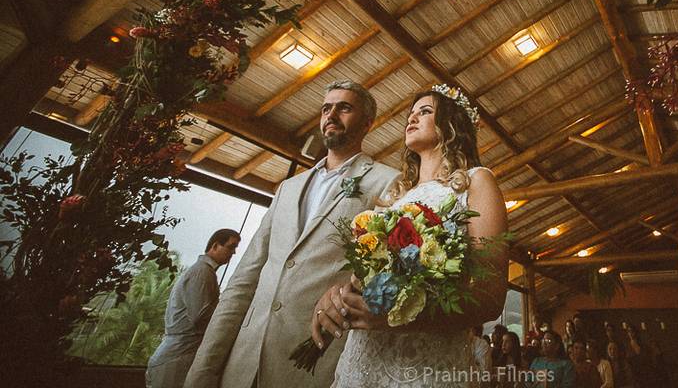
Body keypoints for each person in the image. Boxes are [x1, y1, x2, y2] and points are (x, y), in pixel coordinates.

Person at [184, 80, 400, 388]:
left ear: (367, 122)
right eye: (326, 108)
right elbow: (245, 278)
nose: (331, 115)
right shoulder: (288, 188)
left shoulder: (387, 182)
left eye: (344, 108)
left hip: (315, 362)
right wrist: (203, 369)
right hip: (241, 362)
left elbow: (383, 278)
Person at [314, 85, 509, 387]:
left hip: (423, 369)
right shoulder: (395, 196)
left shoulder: (476, 182)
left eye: (426, 111)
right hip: (360, 362)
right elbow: (366, 277)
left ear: (452, 124)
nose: (412, 118)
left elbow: (490, 297)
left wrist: (399, 317)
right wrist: (340, 295)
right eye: (411, 113)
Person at [146, 229, 240, 388]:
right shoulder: (202, 272)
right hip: (175, 358)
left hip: (178, 355)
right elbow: (200, 317)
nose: (233, 253)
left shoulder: (205, 271)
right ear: (215, 246)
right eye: (231, 247)